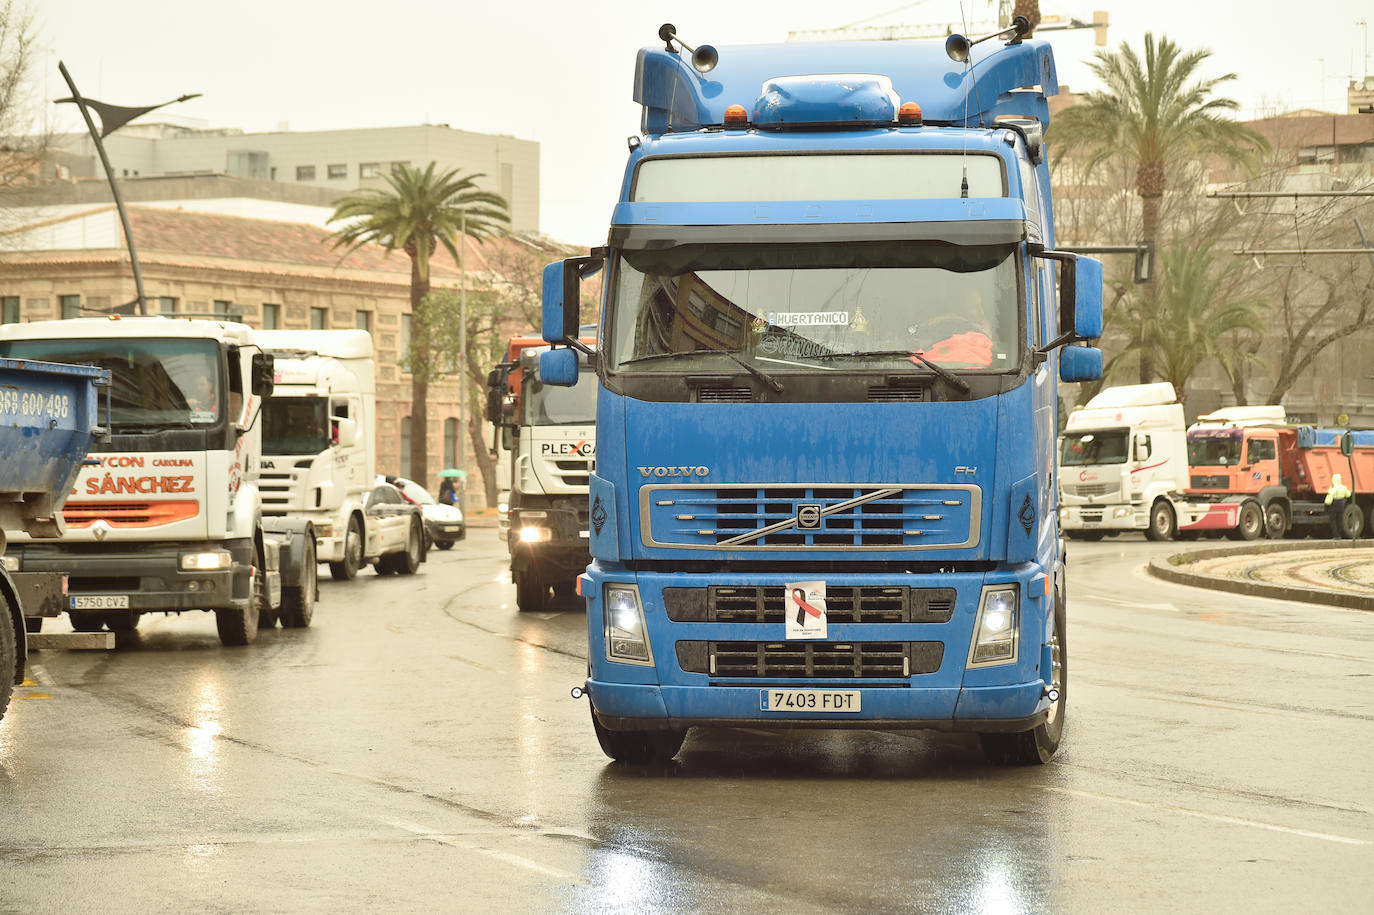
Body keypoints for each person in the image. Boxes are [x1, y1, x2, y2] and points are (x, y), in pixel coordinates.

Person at [1325, 473, 1352, 538]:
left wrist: (1326, 505)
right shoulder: (1344, 487)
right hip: (1342, 505)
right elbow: (1348, 494)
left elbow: (1329, 499)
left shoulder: (1333, 489)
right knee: (1340, 520)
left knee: (1333, 521)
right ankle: (1339, 535)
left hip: (1334, 505)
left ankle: (1335, 535)